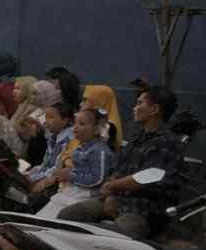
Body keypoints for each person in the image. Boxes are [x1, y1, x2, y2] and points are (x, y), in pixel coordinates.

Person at [60, 86, 183, 238]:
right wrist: (110, 194)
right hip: (120, 200)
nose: (134, 108)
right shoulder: (138, 138)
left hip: (143, 210)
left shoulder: (168, 142)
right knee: (69, 215)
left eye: (139, 103)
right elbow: (118, 169)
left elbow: (145, 178)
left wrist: (111, 187)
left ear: (154, 109)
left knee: (109, 237)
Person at [41, 107, 116, 218]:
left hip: (87, 194)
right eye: (75, 123)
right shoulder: (80, 147)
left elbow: (97, 179)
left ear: (96, 130)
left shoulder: (99, 150)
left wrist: (70, 176)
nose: (75, 128)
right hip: (72, 190)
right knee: (43, 215)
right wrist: (65, 173)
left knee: (55, 218)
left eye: (81, 124)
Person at [27, 102, 75, 190]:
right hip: (45, 175)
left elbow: (56, 168)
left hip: (56, 182)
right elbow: (46, 164)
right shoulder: (53, 137)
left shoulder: (68, 139)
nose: (46, 121)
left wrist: (33, 178)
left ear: (65, 120)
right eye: (46, 117)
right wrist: (32, 172)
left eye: (51, 117)